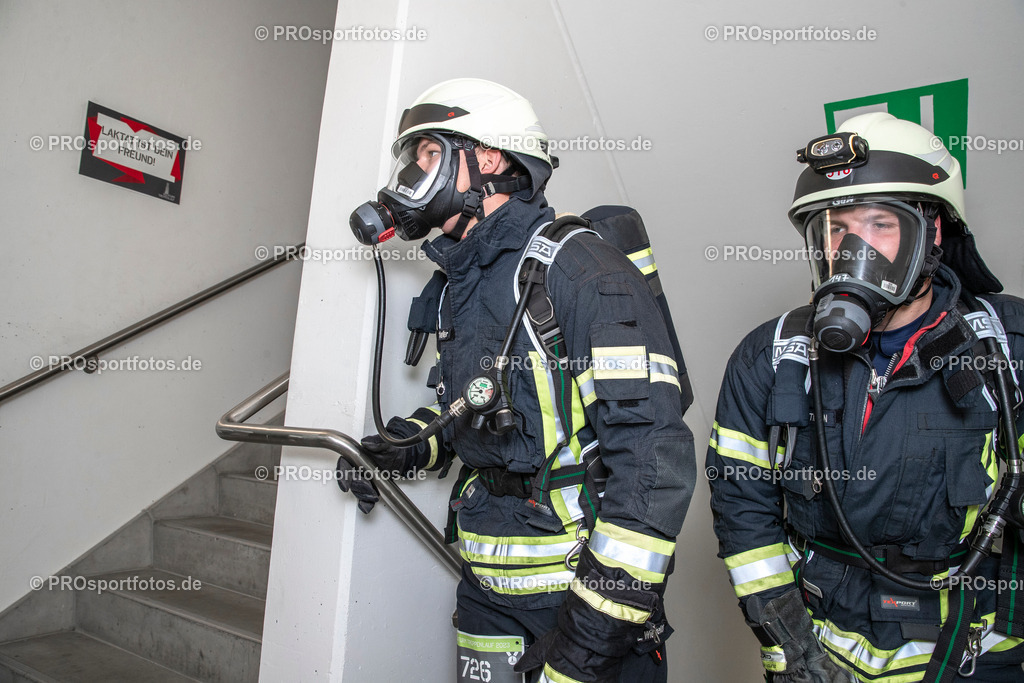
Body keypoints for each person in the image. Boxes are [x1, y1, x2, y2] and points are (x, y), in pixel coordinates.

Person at [341, 78, 695, 682]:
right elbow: (472, 413)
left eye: (429, 155)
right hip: (484, 585)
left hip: (583, 603)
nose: (411, 174)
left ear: (489, 158)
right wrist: (399, 448)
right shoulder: (463, 279)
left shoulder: (580, 269)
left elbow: (653, 461)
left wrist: (590, 638)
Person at [706, 111, 1024, 683]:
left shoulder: (1009, 347)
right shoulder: (772, 356)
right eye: (836, 228)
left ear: (933, 231)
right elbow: (743, 515)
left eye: (880, 225)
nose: (855, 249)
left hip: (970, 650)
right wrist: (790, 649)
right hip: (822, 648)